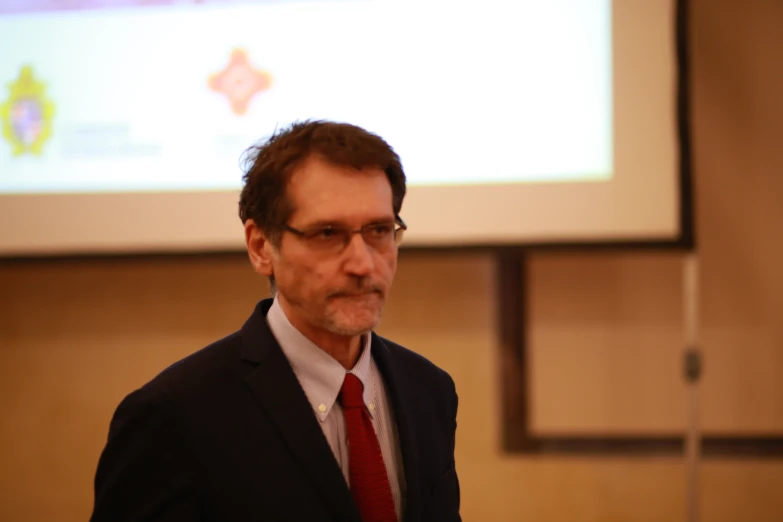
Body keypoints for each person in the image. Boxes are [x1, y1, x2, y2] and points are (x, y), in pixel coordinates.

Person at [90, 120, 461, 522]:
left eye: (378, 230)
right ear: (261, 246)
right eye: (327, 233)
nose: (362, 263)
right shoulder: (172, 416)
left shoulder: (429, 390)